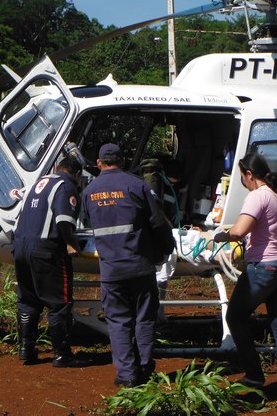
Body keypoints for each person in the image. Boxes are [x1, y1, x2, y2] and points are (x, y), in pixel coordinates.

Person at [82, 143, 175, 386]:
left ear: (100, 163)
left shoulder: (89, 191)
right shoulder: (138, 185)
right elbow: (159, 224)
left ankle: (126, 375)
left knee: (118, 322)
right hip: (140, 267)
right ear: (123, 161)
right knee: (145, 318)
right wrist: (165, 251)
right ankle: (144, 369)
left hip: (111, 270)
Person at [214, 153, 277, 395]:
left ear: (249, 175)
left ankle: (254, 374)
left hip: (265, 267)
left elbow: (239, 231)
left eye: (242, 176)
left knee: (236, 317)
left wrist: (222, 235)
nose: (243, 181)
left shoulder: (256, 196)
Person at [13, 155, 84, 367]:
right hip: (45, 250)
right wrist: (72, 243)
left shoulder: (37, 184)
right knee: (59, 303)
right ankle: (62, 354)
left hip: (21, 247)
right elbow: (63, 221)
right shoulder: (65, 186)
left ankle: (26, 349)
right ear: (77, 174)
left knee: (27, 300)